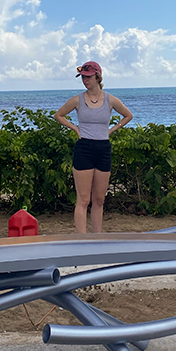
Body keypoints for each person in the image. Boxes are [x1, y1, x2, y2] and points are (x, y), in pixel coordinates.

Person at [54, 62, 132, 233]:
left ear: (98, 76)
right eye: (83, 77)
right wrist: (75, 128)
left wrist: (112, 130)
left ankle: (97, 238)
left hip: (103, 149)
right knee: (83, 199)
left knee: (99, 200)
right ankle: (82, 240)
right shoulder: (77, 100)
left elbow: (128, 115)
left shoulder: (110, 99)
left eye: (88, 76)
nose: (85, 80)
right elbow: (58, 115)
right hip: (84, 149)